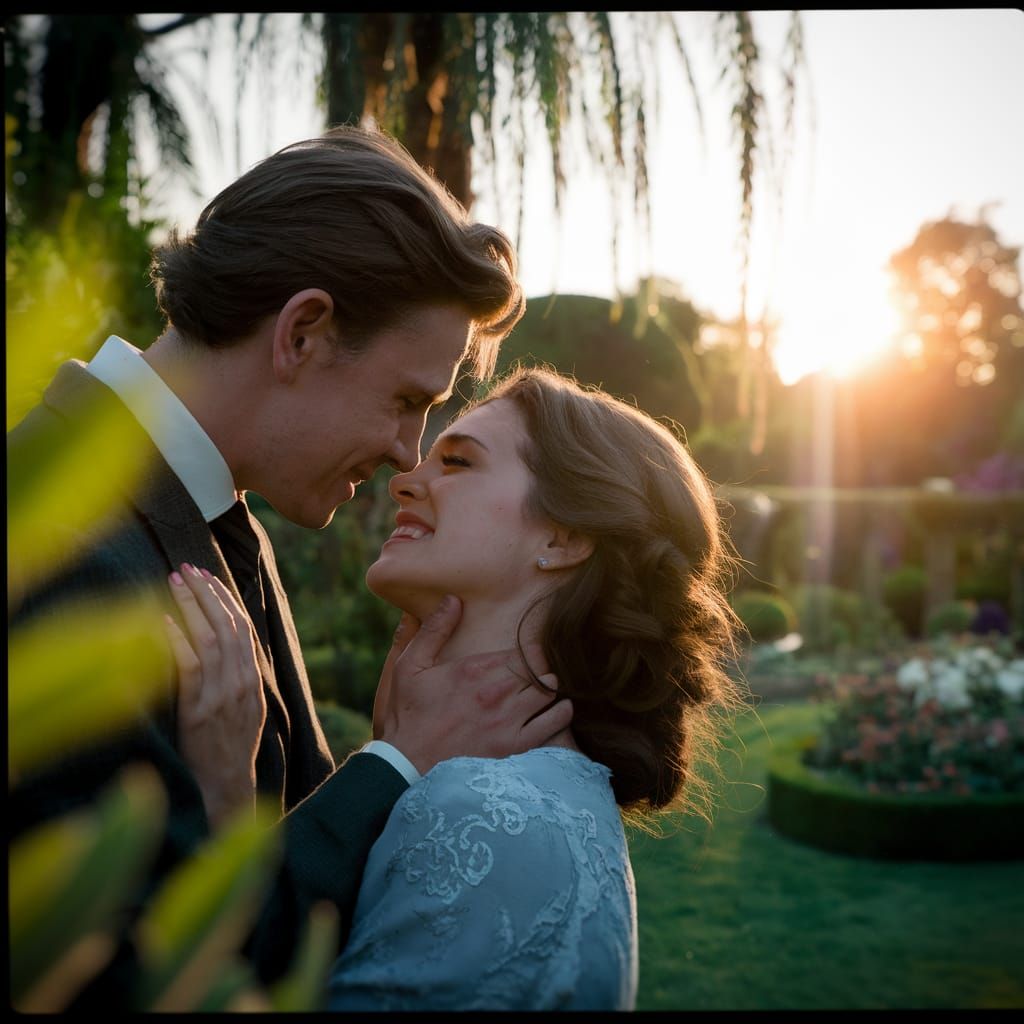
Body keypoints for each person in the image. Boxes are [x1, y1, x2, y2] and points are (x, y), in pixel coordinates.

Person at [7, 126, 574, 1006]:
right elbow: (122, 980)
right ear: (302, 332)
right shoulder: (53, 545)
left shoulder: (225, 522)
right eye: (405, 401)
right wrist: (400, 759)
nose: (405, 454)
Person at [169, 365, 745, 1010]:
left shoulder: (487, 814)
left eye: (460, 462)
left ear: (564, 536)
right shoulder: (498, 786)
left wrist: (223, 798)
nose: (405, 481)